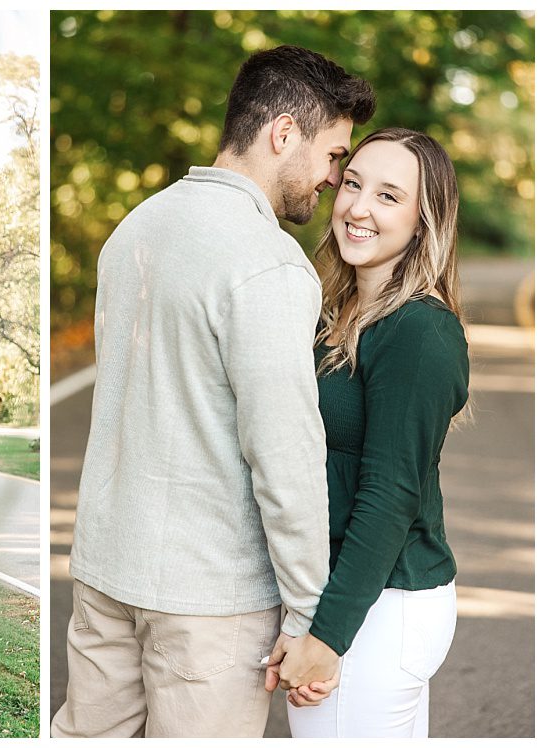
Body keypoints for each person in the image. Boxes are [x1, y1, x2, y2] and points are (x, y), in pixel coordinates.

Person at [50, 45, 375, 738]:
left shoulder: (135, 229)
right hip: (210, 600)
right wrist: (306, 613)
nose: (332, 179)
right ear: (282, 133)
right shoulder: (269, 264)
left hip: (107, 568)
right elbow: (283, 451)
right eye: (333, 155)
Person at [269, 128, 469, 738]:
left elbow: (390, 496)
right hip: (354, 597)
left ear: (423, 220)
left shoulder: (418, 332)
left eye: (388, 196)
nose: (357, 207)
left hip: (381, 606)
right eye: (353, 184)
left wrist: (327, 636)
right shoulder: (338, 315)